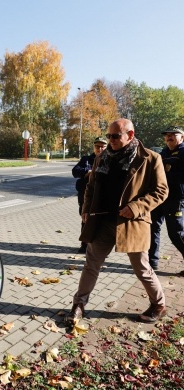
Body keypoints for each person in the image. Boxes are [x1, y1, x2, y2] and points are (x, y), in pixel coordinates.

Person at [66, 118, 168, 325]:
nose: (110, 140)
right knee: (91, 264)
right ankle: (79, 304)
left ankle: (159, 305)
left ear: (130, 135)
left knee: (142, 267)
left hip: (132, 223)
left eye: (115, 136)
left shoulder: (150, 158)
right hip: (102, 222)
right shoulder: (102, 157)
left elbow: (161, 191)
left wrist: (136, 207)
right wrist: (86, 209)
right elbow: (91, 186)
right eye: (109, 136)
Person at [149, 125, 184, 273]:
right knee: (152, 229)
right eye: (167, 135)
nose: (169, 137)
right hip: (158, 198)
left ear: (182, 137)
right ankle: (152, 263)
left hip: (175, 199)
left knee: (176, 233)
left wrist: (163, 176)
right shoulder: (162, 153)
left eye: (173, 135)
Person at [72, 136, 107, 253]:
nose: (100, 149)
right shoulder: (86, 159)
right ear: (94, 147)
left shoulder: (110, 160)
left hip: (103, 196)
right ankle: (85, 244)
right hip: (86, 195)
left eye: (103, 146)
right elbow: (75, 171)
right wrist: (87, 172)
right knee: (85, 218)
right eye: (97, 146)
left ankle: (99, 247)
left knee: (102, 222)